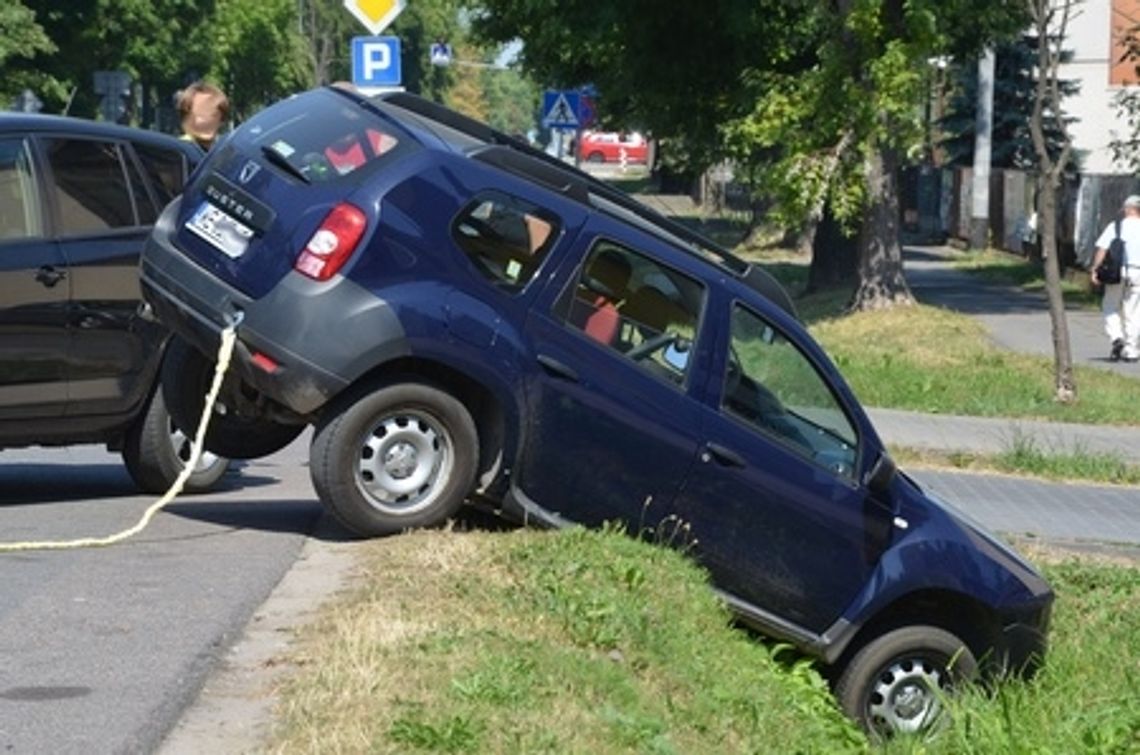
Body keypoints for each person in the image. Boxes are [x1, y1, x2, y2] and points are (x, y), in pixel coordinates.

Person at [1090, 194, 1140, 362]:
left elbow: (1102, 249)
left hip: (1118, 273)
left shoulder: (1116, 226)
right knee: (1134, 312)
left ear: (1128, 209)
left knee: (1110, 305)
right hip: (1138, 274)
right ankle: (1132, 350)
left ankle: (1117, 337)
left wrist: (1095, 269)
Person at [175, 81, 229, 151]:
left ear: (221, 120)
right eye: (200, 115)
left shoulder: (225, 150)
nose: (205, 121)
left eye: (212, 115)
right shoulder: (177, 151)